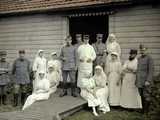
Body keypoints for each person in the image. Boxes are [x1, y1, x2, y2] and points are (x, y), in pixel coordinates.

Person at [136, 45, 154, 114]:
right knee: (141, 95)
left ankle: (146, 111)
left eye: (144, 50)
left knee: (146, 95)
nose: (142, 51)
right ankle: (143, 110)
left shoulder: (149, 58)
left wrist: (148, 80)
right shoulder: (139, 58)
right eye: (141, 50)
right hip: (139, 81)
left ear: (147, 50)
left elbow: (151, 70)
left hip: (146, 81)